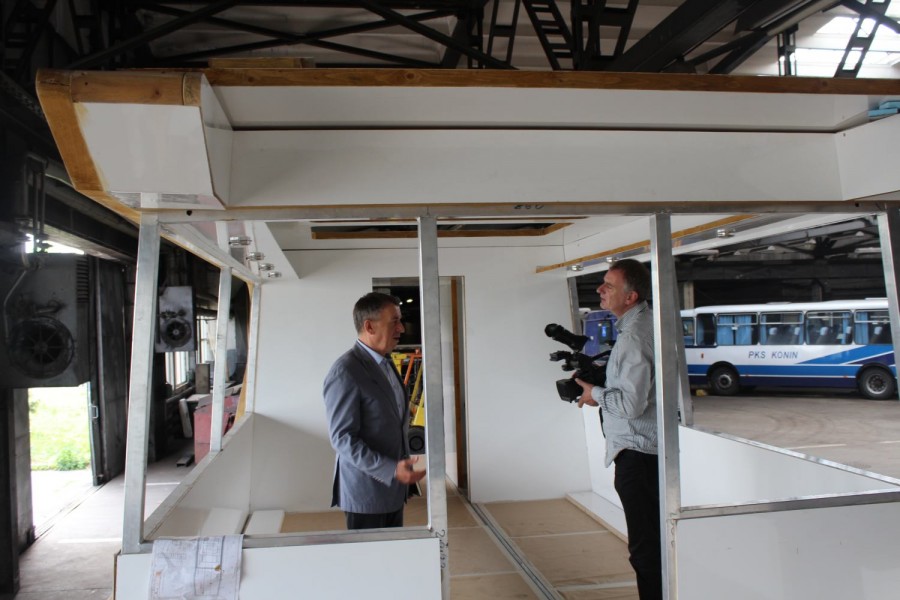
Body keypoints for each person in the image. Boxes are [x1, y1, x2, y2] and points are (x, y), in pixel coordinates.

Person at [574, 259, 661, 600]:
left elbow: (630, 406)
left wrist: (594, 393)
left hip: (639, 457)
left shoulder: (634, 338)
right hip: (646, 454)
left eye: (608, 285)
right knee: (651, 544)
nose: (600, 289)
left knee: (645, 550)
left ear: (630, 296)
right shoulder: (641, 327)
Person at [323, 292, 426, 530]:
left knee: (392, 550)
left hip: (392, 490)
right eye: (394, 322)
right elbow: (343, 439)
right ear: (369, 326)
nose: (401, 328)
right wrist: (391, 469)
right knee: (369, 554)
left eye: (400, 321)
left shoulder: (386, 363)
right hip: (365, 495)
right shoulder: (346, 371)